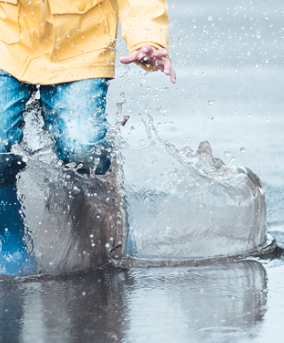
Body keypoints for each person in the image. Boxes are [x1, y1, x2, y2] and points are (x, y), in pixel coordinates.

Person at [0, 0, 176, 275]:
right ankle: (8, 239)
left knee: (83, 150)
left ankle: (105, 206)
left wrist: (147, 38)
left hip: (81, 43)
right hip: (6, 33)